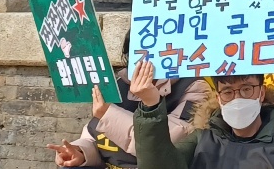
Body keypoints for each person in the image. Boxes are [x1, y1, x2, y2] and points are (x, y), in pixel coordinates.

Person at [130, 59, 274, 169]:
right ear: (219, 98)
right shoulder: (202, 139)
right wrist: (151, 105)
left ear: (261, 93)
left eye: (246, 89)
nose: (238, 98)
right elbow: (160, 164)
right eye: (228, 92)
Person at [47, 38, 208, 166]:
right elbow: (95, 137)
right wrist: (80, 152)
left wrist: (110, 114)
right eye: (137, 53)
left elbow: (171, 143)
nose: (144, 61)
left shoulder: (195, 86)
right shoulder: (120, 83)